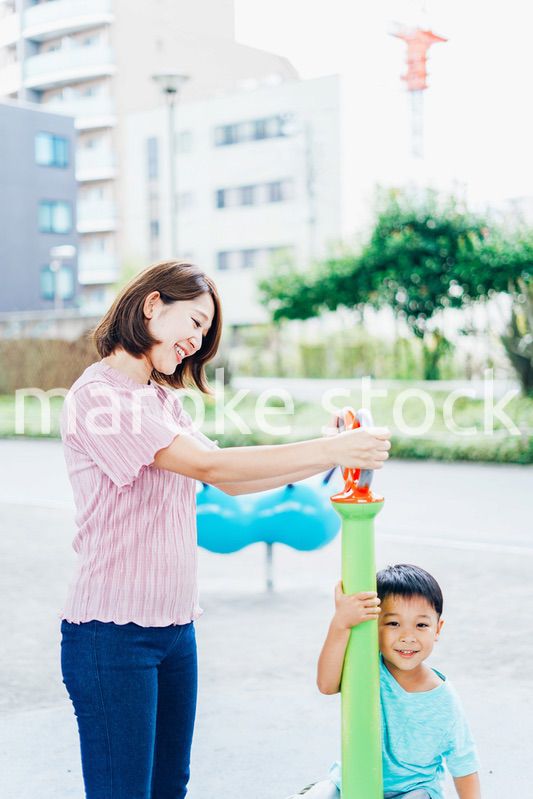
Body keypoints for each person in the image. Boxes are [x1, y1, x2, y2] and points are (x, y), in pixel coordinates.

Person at [59, 260, 391, 799]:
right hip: (110, 635)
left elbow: (231, 481)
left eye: (203, 332)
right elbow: (211, 468)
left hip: (173, 631)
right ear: (152, 305)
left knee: (171, 788)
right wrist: (332, 450)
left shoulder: (161, 400)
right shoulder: (99, 398)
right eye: (193, 321)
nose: (195, 340)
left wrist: (328, 454)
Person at [289, 564, 480, 799]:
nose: (407, 637)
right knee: (324, 793)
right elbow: (326, 685)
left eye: (421, 625)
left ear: (437, 629)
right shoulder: (366, 667)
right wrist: (341, 623)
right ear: (374, 625)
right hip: (351, 784)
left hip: (413, 790)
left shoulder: (442, 699)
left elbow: (464, 765)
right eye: (393, 623)